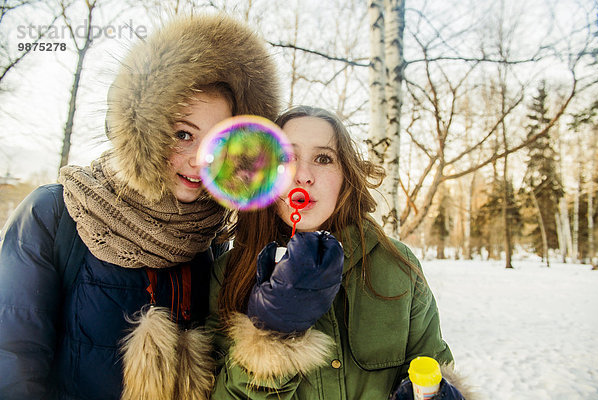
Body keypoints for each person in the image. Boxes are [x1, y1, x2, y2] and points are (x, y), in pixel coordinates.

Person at [0, 14, 280, 400]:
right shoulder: (55, 213)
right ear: (145, 131)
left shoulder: (213, 238)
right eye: (183, 134)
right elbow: (12, 359)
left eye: (219, 141)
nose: (201, 160)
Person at [207, 106, 474, 399]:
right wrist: (273, 337)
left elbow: (432, 367)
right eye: (287, 158)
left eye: (323, 158)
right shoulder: (229, 273)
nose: (304, 175)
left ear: (346, 175)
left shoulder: (398, 265)